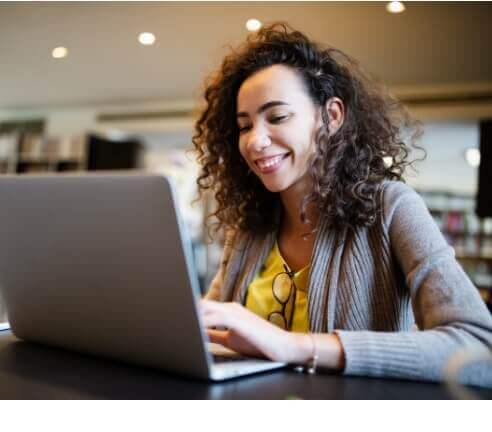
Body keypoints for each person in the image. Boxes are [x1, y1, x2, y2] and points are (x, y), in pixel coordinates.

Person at [192, 22, 492, 386]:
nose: (255, 141)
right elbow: (206, 329)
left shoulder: (392, 207)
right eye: (244, 126)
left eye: (277, 117)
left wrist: (293, 346)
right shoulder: (250, 228)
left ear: (332, 116)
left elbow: (480, 349)